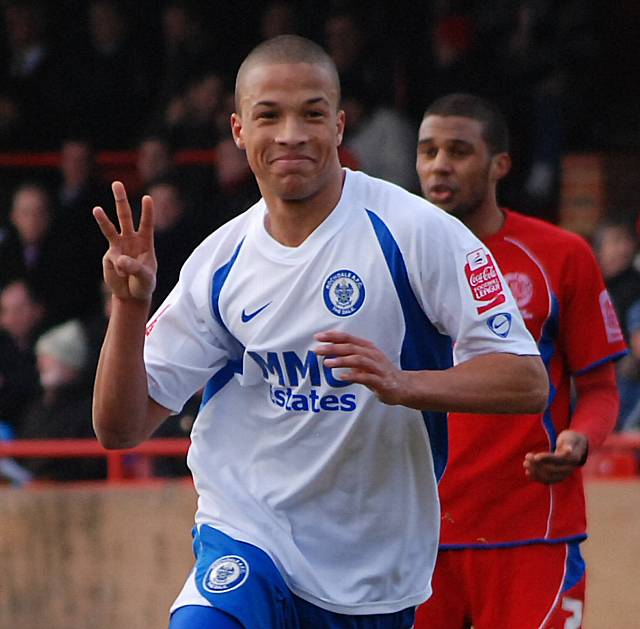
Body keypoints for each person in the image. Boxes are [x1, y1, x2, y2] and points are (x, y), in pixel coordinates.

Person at [92, 36, 547, 629]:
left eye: (310, 113)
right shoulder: (220, 261)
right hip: (246, 536)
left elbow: (525, 379)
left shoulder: (418, 233)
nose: (290, 134)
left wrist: (404, 384)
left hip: (371, 575)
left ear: (338, 125)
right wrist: (128, 310)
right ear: (236, 129)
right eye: (268, 115)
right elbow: (119, 427)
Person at [413, 93, 626, 629]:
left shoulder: (561, 255)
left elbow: (600, 388)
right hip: (413, 536)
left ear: (499, 164)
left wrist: (579, 442)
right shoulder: (386, 256)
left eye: (459, 151)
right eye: (428, 150)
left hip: (531, 530)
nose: (440, 164)